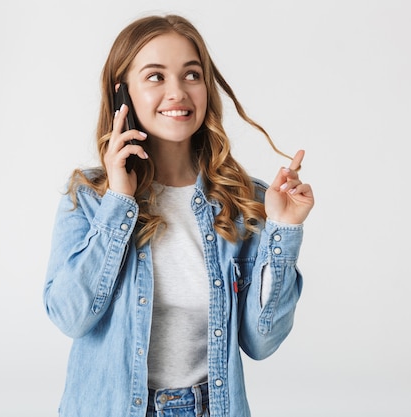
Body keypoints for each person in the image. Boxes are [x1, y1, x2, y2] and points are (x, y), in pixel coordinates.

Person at [43, 13, 314, 417]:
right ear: (123, 95)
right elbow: (69, 317)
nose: (178, 92)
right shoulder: (90, 198)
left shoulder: (244, 200)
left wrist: (283, 230)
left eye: (191, 74)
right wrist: (120, 200)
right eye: (155, 76)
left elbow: (262, 342)